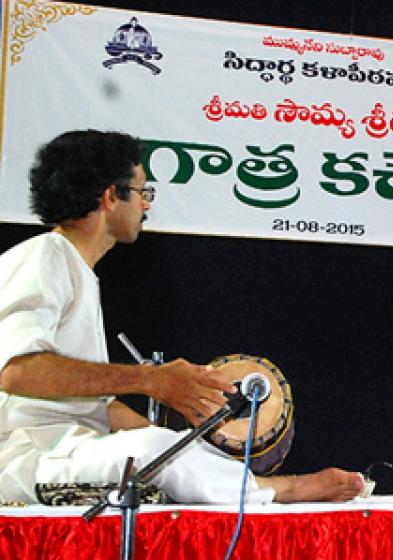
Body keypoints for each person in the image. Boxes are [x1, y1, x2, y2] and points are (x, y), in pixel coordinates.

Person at [0, 130, 364, 504]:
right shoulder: (45, 257)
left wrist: (181, 443)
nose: (146, 206)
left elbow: (96, 406)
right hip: (25, 458)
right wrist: (151, 380)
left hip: (69, 449)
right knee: (148, 448)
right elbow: (16, 371)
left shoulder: (77, 270)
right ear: (111, 196)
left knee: (162, 445)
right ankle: (283, 489)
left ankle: (248, 485)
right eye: (143, 192)